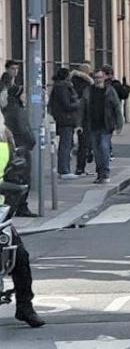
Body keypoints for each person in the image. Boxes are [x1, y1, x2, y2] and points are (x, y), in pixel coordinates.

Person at [0, 119, 45, 327]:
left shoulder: (5, 135)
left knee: (20, 257)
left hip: (1, 212)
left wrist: (16, 180)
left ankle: (25, 307)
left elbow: (14, 165)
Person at [80, 69, 124, 185]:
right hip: (92, 126)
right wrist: (79, 124)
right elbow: (82, 108)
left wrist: (119, 124)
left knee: (104, 148)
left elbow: (117, 107)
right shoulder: (88, 91)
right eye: (95, 78)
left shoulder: (110, 91)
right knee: (96, 151)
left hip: (106, 125)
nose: (98, 80)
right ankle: (100, 173)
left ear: (104, 78)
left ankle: (105, 173)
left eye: (100, 77)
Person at [2, 84, 37, 217]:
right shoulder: (19, 110)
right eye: (23, 94)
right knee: (24, 178)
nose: (25, 97)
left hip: (11, 147)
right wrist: (32, 141)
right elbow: (24, 129)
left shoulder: (6, 109)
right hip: (22, 146)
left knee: (13, 177)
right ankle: (21, 206)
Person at [48, 68, 80, 181]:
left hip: (63, 119)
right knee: (66, 144)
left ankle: (64, 168)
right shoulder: (63, 87)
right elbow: (67, 105)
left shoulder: (58, 86)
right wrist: (78, 104)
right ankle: (64, 169)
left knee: (67, 143)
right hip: (66, 119)